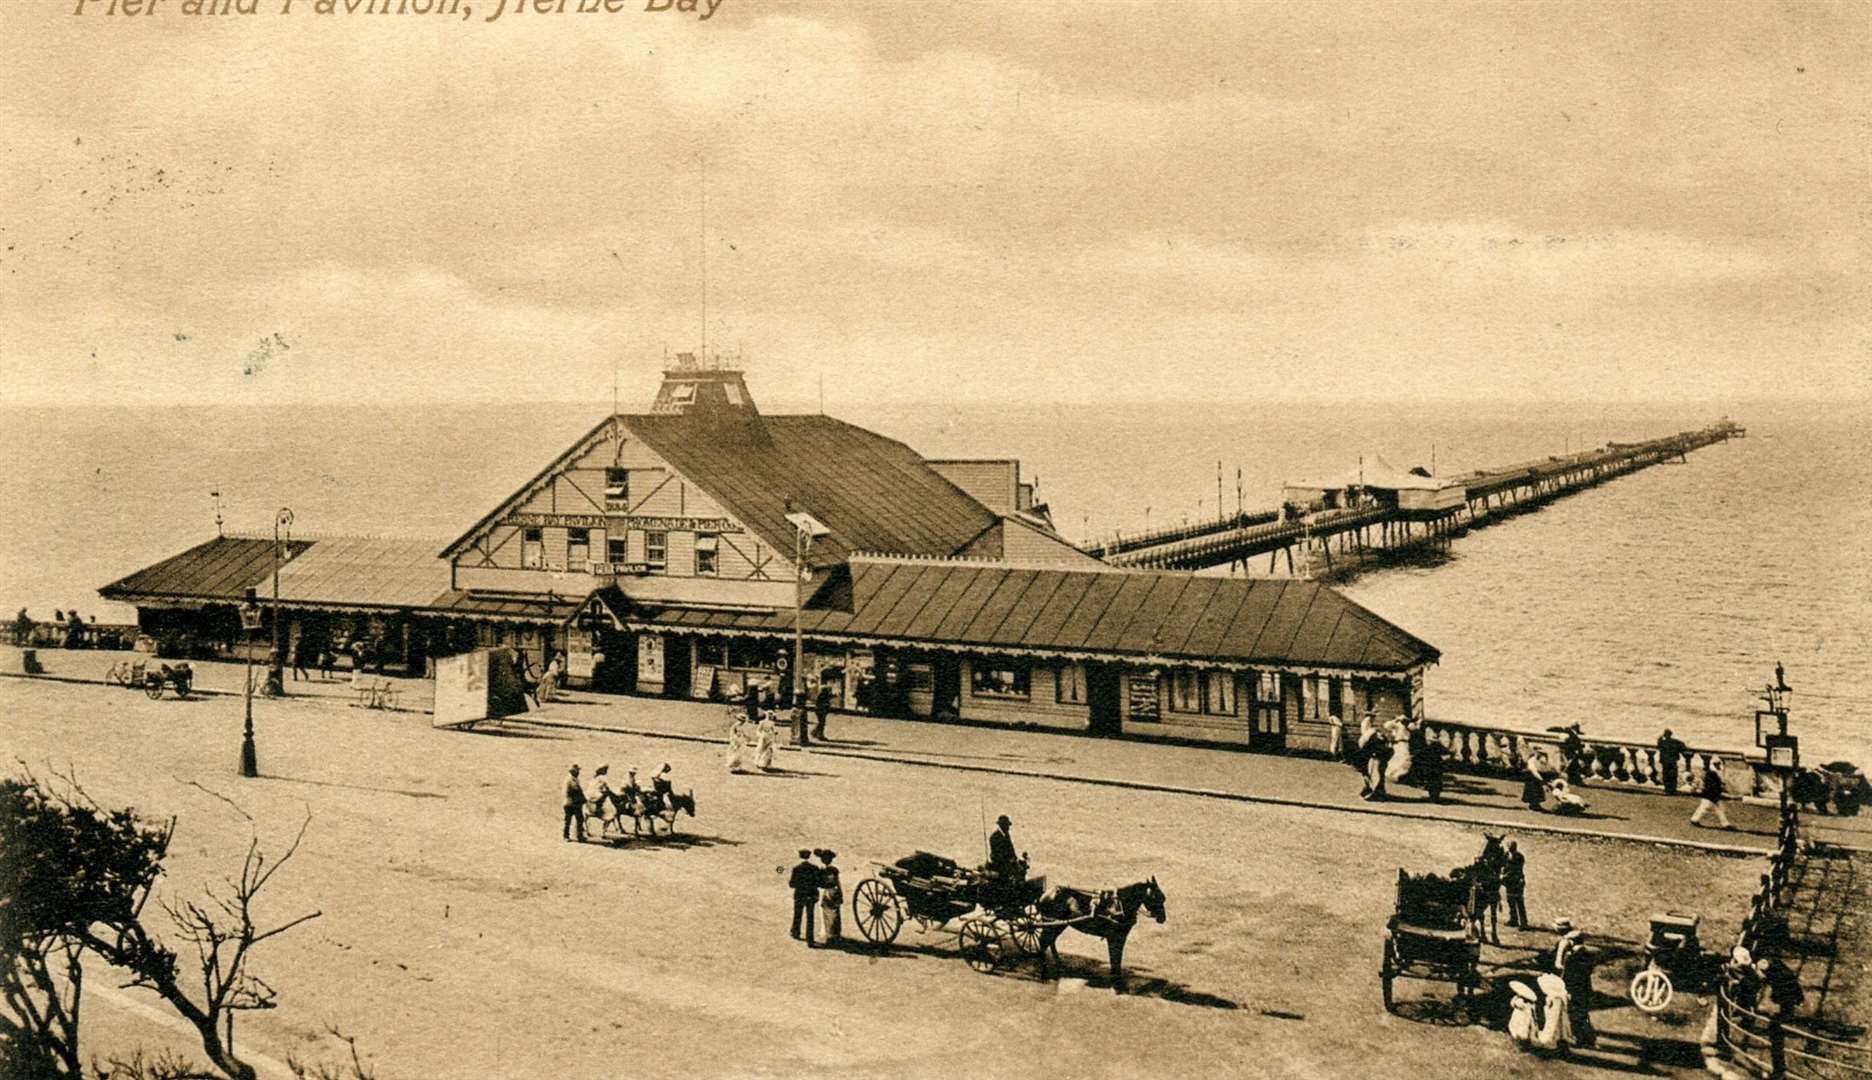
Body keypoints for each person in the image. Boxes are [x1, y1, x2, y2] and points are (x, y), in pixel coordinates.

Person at [788, 849, 820, 945]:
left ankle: (796, 932)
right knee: (810, 917)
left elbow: (792, 884)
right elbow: (818, 882)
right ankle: (810, 938)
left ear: (800, 856)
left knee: (798, 914)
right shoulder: (815, 868)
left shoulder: (796, 868)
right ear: (809, 856)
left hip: (800, 895)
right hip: (811, 895)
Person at [1691, 759, 1733, 828]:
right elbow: (1712, 786)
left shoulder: (1714, 772)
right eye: (1716, 764)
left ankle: (1726, 824)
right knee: (1706, 807)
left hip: (1711, 794)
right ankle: (1694, 819)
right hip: (1710, 794)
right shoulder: (1712, 773)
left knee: (1716, 808)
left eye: (1718, 764)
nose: (1718, 765)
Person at [817, 849, 843, 942]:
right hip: (835, 891)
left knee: (826, 913)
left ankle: (829, 934)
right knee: (835, 913)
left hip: (827, 891)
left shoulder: (822, 870)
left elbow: (820, 883)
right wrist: (841, 894)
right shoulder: (834, 869)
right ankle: (836, 934)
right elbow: (838, 882)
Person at [1503, 840, 1528, 928]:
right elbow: (1503, 866)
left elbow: (1516, 870)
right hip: (1509, 882)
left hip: (1517, 881)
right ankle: (1513, 919)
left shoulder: (1519, 857)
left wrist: (1505, 875)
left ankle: (1523, 923)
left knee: (1519, 902)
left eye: (1512, 849)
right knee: (1510, 901)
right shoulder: (1506, 855)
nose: (1510, 850)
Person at [1655, 729, 1686, 795]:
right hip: (1672, 761)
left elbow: (1658, 742)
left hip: (1665, 762)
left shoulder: (1663, 742)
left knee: (1666, 776)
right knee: (1673, 776)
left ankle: (1667, 790)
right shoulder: (1675, 741)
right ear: (1671, 734)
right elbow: (1683, 746)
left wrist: (1661, 736)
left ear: (1665, 735)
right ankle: (1673, 790)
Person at [562, 764, 585, 843]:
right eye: (577, 771)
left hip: (575, 803)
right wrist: (581, 798)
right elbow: (572, 792)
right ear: (573, 771)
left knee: (580, 819)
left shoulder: (575, 779)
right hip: (570, 803)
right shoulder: (569, 780)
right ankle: (566, 836)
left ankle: (579, 835)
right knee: (568, 820)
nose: (578, 772)